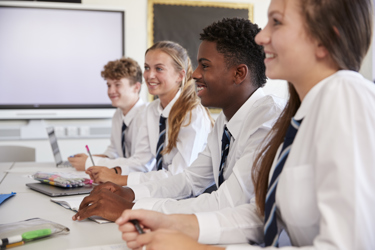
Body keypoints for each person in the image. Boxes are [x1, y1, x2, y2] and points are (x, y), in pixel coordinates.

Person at [116, 0, 375, 249]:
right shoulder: (298, 115)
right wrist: (171, 222)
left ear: (324, 40)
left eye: (276, 22)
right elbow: (262, 214)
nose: (262, 37)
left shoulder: (346, 94)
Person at [72, 18, 285, 222]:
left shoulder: (268, 120)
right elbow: (189, 179)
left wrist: (133, 209)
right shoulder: (225, 121)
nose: (195, 74)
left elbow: (228, 202)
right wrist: (129, 193)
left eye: (205, 66)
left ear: (239, 74)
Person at [84, 41, 213, 186]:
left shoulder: (193, 114)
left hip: (189, 196)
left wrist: (118, 179)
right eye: (147, 68)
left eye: (159, 69)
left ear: (180, 75)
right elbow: (142, 162)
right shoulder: (151, 110)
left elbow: (179, 176)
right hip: (161, 190)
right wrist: (111, 172)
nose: (150, 75)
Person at [68, 57, 152, 172]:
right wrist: (90, 159)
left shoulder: (147, 116)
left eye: (117, 85)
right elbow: (114, 153)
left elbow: (140, 164)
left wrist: (90, 163)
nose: (111, 91)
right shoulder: (118, 115)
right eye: (109, 85)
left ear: (136, 87)